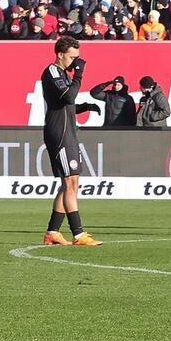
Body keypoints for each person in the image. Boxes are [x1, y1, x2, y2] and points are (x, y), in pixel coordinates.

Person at [39, 38, 101, 247]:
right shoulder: (53, 72)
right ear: (60, 54)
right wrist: (80, 74)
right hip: (59, 133)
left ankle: (52, 232)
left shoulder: (63, 74)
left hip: (68, 133)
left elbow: (66, 104)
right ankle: (78, 234)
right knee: (69, 182)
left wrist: (85, 107)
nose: (75, 62)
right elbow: (68, 96)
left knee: (71, 183)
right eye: (72, 57)